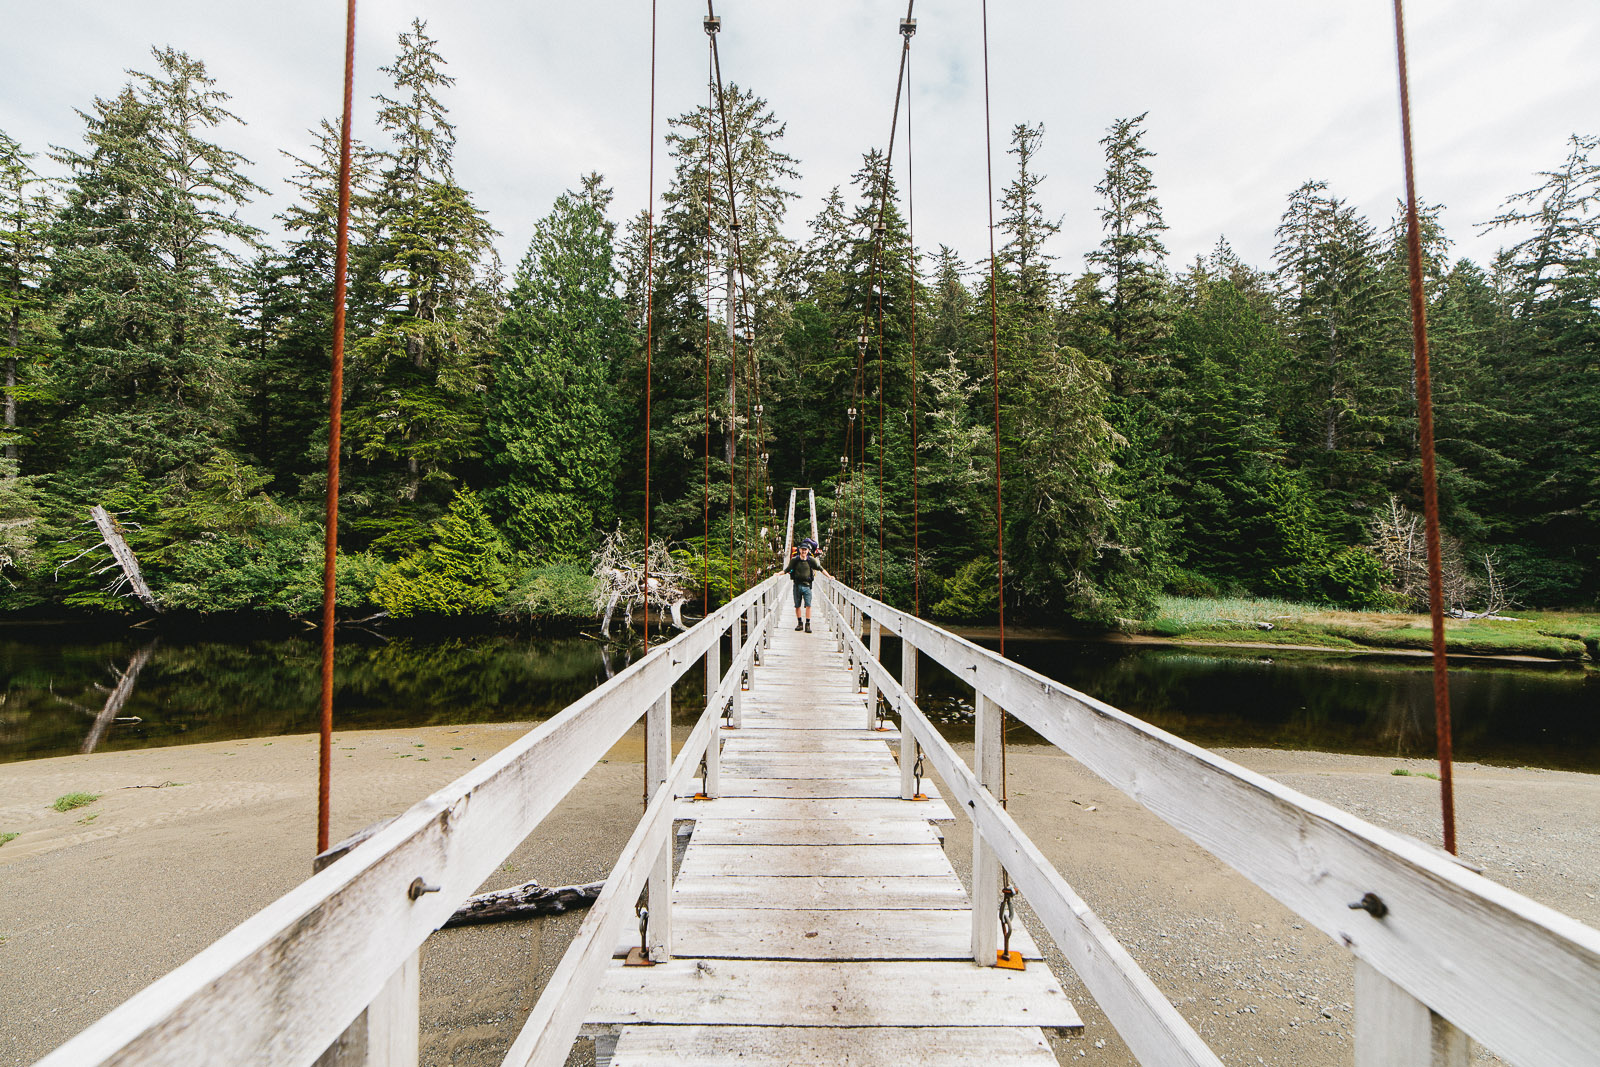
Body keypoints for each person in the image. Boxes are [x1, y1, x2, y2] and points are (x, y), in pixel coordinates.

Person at [784, 539, 825, 632]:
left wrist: (829, 576)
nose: (803, 551)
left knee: (808, 606)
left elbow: (820, 569)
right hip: (797, 585)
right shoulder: (795, 560)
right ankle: (799, 623)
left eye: (805, 550)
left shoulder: (811, 560)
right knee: (797, 605)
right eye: (802, 549)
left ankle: (807, 625)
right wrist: (778, 574)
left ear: (808, 551)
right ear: (799, 550)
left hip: (807, 586)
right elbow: (787, 569)